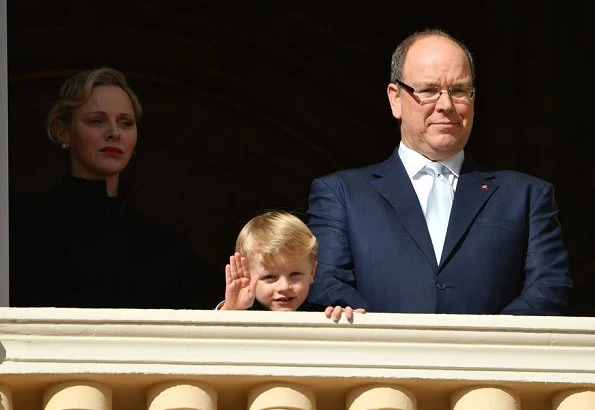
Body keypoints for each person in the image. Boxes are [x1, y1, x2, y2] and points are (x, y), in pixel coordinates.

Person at [305, 29, 573, 315]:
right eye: (429, 90)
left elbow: (549, 287)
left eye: (459, 91)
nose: (445, 105)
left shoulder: (526, 196)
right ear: (395, 99)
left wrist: (484, 345)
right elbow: (326, 284)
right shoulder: (341, 195)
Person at [9, 67, 208, 309]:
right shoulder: (22, 224)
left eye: (125, 123)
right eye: (96, 121)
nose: (114, 133)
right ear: (64, 133)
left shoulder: (163, 243)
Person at [218, 210, 365, 321]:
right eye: (270, 277)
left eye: (295, 275)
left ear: (312, 272)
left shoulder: (324, 315)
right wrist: (231, 309)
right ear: (248, 276)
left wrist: (348, 322)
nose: (284, 287)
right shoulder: (241, 314)